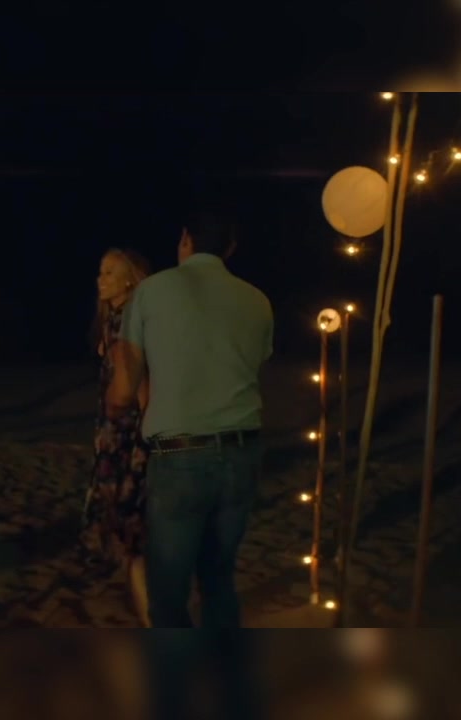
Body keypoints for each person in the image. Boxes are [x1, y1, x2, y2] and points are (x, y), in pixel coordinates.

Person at [106, 208, 273, 629]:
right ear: (230, 248)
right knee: (219, 578)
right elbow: (252, 367)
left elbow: (124, 390)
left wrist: (116, 403)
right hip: (241, 451)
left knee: (168, 589)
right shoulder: (257, 301)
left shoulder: (152, 291)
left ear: (185, 240)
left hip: (180, 455)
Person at [82, 247, 153, 627]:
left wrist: (128, 419)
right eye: (100, 271)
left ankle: (151, 617)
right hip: (117, 432)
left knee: (129, 532)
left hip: (126, 434)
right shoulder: (116, 319)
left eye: (110, 272)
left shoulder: (128, 321)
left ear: (130, 280)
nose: (101, 279)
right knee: (127, 532)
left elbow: (139, 385)